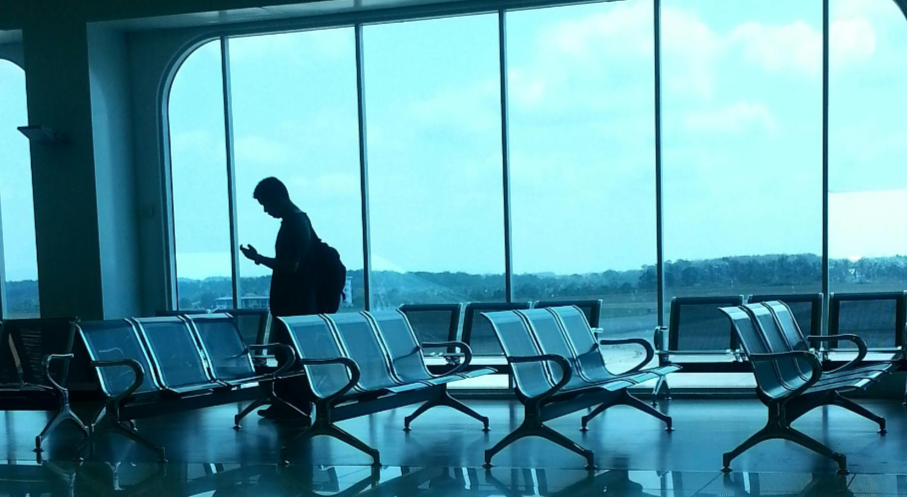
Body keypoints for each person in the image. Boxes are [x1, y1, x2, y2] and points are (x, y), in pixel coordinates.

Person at [240, 177, 346, 421]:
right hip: (302, 303)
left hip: (292, 304)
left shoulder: (292, 225)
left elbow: (289, 266)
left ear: (277, 198)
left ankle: (291, 406)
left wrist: (258, 258)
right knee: (292, 355)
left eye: (266, 205)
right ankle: (291, 404)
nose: (266, 211)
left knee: (287, 355)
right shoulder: (303, 220)